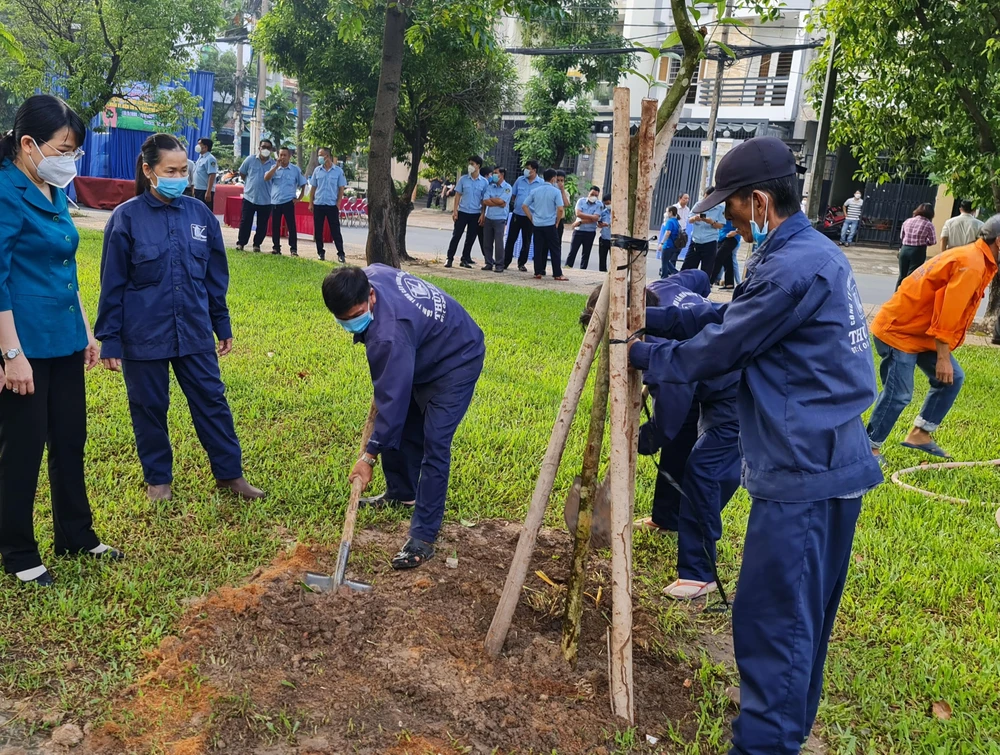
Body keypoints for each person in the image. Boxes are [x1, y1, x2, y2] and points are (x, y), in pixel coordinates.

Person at [627, 137, 883, 755]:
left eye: (733, 208)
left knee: (773, 627)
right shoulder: (809, 254)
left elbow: (723, 348)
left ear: (760, 201)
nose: (729, 220)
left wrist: (642, 353)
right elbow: (735, 320)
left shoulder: (790, 267)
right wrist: (656, 318)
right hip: (829, 463)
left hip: (803, 475)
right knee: (801, 629)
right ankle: (783, 738)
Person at [95, 133, 265, 504]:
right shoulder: (126, 219)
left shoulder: (200, 215)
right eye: (170, 170)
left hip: (194, 331)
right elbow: (112, 284)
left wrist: (221, 323)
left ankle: (230, 475)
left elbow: (214, 277)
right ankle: (159, 480)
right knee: (149, 407)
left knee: (212, 400)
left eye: (183, 170)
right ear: (148, 170)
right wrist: (110, 337)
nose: (179, 176)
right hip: (144, 334)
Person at [0, 94, 122, 587]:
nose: (69, 159)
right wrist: (11, 355)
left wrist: (86, 330)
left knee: (70, 439)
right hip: (23, 343)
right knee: (23, 448)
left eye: (74, 150)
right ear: (28, 144)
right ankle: (17, 548)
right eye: (63, 148)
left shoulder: (50, 188)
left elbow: (64, 269)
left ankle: (76, 533)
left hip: (65, 336)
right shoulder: (7, 190)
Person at [322, 265, 485, 569]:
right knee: (403, 419)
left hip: (457, 358)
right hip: (420, 348)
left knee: (435, 441)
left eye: (356, 314)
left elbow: (391, 409)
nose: (351, 323)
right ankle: (401, 492)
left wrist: (367, 458)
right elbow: (393, 403)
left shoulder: (388, 335)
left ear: (370, 295)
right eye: (343, 320)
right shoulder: (370, 274)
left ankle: (423, 536)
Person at [866, 215, 999, 462]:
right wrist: (942, 357)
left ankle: (921, 433)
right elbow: (948, 311)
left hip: (919, 333)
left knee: (954, 378)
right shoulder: (972, 263)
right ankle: (868, 448)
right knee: (899, 394)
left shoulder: (977, 259)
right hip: (899, 332)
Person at [523, 168, 566, 281]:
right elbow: (560, 209)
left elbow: (524, 206)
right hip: (550, 224)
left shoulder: (535, 191)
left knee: (538, 248)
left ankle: (538, 272)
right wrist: (557, 221)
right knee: (554, 249)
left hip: (537, 224)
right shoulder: (555, 191)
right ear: (553, 178)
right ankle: (557, 273)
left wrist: (532, 218)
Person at [445, 156, 488, 269]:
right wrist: (455, 211)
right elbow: (458, 195)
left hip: (475, 213)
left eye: (472, 163)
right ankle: (449, 258)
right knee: (456, 235)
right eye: (469, 163)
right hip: (462, 212)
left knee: (471, 238)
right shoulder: (463, 179)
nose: (470, 166)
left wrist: (483, 214)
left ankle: (464, 259)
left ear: (478, 165)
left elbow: (484, 200)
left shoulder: (484, 182)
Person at [236, 139, 276, 253]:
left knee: (262, 224)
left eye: (268, 147)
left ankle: (257, 244)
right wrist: (249, 183)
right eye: (264, 147)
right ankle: (241, 243)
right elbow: (242, 173)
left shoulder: (273, 164)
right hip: (250, 196)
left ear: (271, 150)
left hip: (266, 199)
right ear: (259, 148)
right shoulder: (250, 159)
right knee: (245, 221)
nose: (266, 149)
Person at [266, 147, 307, 257]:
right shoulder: (274, 168)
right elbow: (266, 178)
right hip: (275, 202)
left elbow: (303, 184)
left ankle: (293, 249)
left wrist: (299, 198)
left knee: (291, 226)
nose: (282, 157)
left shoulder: (295, 170)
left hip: (289, 202)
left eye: (285, 155)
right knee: (275, 226)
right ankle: (276, 248)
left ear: (289, 156)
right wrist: (275, 167)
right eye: (281, 155)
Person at [309, 148, 348, 263]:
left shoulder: (338, 171)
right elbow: (313, 188)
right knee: (318, 230)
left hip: (332, 205)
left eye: (321, 155)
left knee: (335, 230)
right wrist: (311, 203)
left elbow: (341, 188)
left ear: (327, 156)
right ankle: (320, 252)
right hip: (319, 204)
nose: (319, 157)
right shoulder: (317, 170)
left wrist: (338, 203)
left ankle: (341, 253)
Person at [505, 160, 544, 272]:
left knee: (526, 241)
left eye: (528, 168)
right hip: (517, 214)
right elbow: (513, 195)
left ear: (534, 170)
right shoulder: (520, 180)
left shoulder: (540, 183)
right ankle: (505, 262)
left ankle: (521, 263)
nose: (526, 170)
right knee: (511, 239)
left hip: (530, 216)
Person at [683, 187, 726, 273]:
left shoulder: (720, 208)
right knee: (686, 269)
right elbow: (689, 220)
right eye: (705, 197)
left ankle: (702, 285)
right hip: (696, 241)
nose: (706, 200)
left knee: (706, 270)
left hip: (710, 242)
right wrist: (695, 218)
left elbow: (720, 226)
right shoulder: (698, 205)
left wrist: (711, 222)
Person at [897, 202, 937, 289]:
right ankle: (907, 295)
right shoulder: (928, 224)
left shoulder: (907, 221)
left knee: (902, 275)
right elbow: (933, 241)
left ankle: (896, 294)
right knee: (912, 275)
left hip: (904, 249)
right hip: (918, 251)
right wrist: (924, 241)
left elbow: (902, 236)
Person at [480, 167, 512, 272]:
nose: (493, 175)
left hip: (500, 218)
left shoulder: (507, 187)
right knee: (487, 242)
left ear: (501, 175)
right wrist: (497, 202)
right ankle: (488, 263)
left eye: (495, 173)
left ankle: (499, 265)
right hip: (489, 217)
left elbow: (502, 201)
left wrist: (493, 200)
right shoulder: (491, 186)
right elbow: (485, 201)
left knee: (499, 243)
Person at [565, 186, 603, 269]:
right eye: (592, 194)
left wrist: (580, 221)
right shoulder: (581, 201)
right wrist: (591, 217)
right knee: (572, 251)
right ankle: (567, 267)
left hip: (590, 232)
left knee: (586, 254)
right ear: (588, 193)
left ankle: (583, 270)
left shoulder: (599, 204)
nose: (593, 197)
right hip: (578, 231)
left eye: (596, 195)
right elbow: (578, 214)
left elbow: (596, 218)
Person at [711, 219, 743, 289]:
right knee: (727, 260)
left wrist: (735, 232)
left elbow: (744, 222)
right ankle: (729, 283)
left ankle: (710, 281)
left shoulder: (736, 211)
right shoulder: (721, 209)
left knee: (718, 256)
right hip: (721, 236)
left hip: (732, 237)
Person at [657, 206, 682, 278]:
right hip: (674, 246)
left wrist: (662, 243)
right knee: (667, 261)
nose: (666, 213)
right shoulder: (676, 221)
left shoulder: (670, 221)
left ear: (671, 213)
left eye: (667, 211)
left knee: (664, 262)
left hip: (668, 245)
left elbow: (667, 233)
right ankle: (676, 273)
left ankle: (664, 277)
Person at [597, 194, 612, 273]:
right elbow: (599, 222)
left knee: (614, 259)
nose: (607, 205)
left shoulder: (618, 213)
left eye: (608, 203)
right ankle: (602, 272)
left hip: (613, 239)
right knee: (602, 259)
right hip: (604, 238)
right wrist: (600, 224)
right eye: (606, 204)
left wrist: (608, 225)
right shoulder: (604, 212)